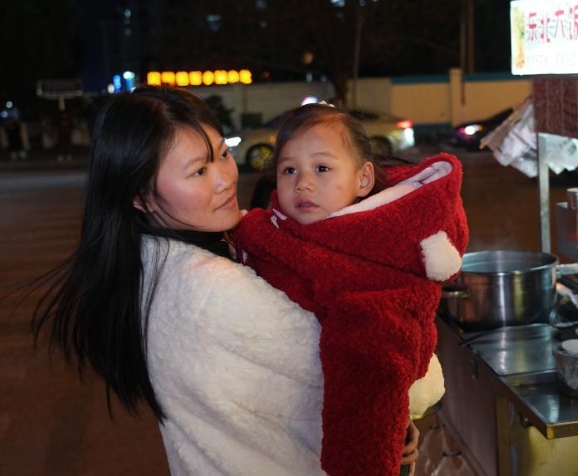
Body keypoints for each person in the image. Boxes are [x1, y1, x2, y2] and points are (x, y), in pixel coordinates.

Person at [29, 86, 419, 474]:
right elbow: (381, 370)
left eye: (223, 154)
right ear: (141, 197)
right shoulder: (211, 289)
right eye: (199, 171)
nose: (224, 180)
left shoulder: (152, 264)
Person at [233, 103, 469, 476]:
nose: (303, 182)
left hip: (369, 433)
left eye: (322, 168)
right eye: (289, 169)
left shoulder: (376, 249)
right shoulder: (278, 226)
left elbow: (374, 361)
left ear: (363, 180)